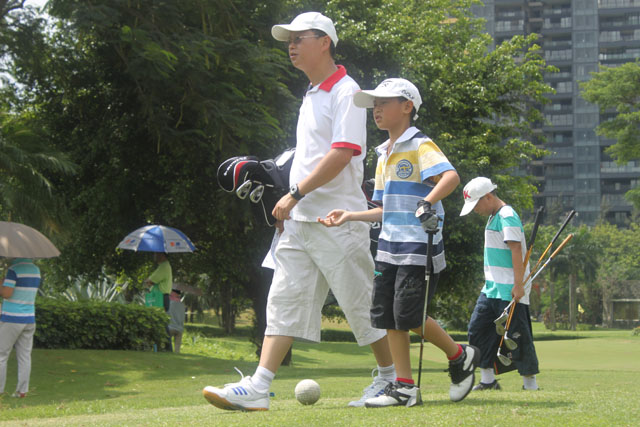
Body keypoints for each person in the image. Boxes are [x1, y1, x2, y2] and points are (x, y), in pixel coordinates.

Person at [203, 11, 395, 411]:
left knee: (360, 303)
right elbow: (308, 158)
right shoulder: (311, 94)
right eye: (288, 40)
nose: (291, 46)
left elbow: (342, 154)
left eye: (299, 38)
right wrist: (288, 198)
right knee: (283, 301)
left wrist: (294, 194)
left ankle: (392, 379)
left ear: (324, 42)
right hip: (299, 221)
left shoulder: (346, 91)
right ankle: (259, 386)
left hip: (337, 220)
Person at [319, 78, 480, 407]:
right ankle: (409, 383)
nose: (376, 109)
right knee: (388, 316)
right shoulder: (383, 153)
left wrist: (427, 202)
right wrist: (350, 215)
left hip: (418, 247)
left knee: (408, 315)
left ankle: (453, 358)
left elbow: (450, 177)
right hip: (389, 248)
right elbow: (385, 208)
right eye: (374, 104)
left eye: (384, 102)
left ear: (407, 107)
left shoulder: (419, 144)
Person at [459, 177, 540, 391]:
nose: (475, 210)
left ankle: (530, 384)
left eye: (476, 205)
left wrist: (518, 285)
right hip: (491, 288)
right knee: (478, 330)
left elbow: (516, 250)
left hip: (509, 289)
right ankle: (488, 381)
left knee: (516, 335)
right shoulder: (493, 216)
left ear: (488, 197)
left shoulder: (507, 215)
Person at [0, 258, 41, 398]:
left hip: (12, 318)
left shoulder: (14, 270)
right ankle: (22, 391)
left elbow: (7, 294)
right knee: (24, 356)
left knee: (1, 355)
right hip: (29, 318)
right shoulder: (36, 270)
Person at [168, 289, 185, 353]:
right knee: (177, 348)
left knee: (167, 344)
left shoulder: (170, 304)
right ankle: (177, 354)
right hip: (180, 328)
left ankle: (168, 352)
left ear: (172, 295)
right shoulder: (182, 305)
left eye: (170, 295)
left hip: (170, 327)